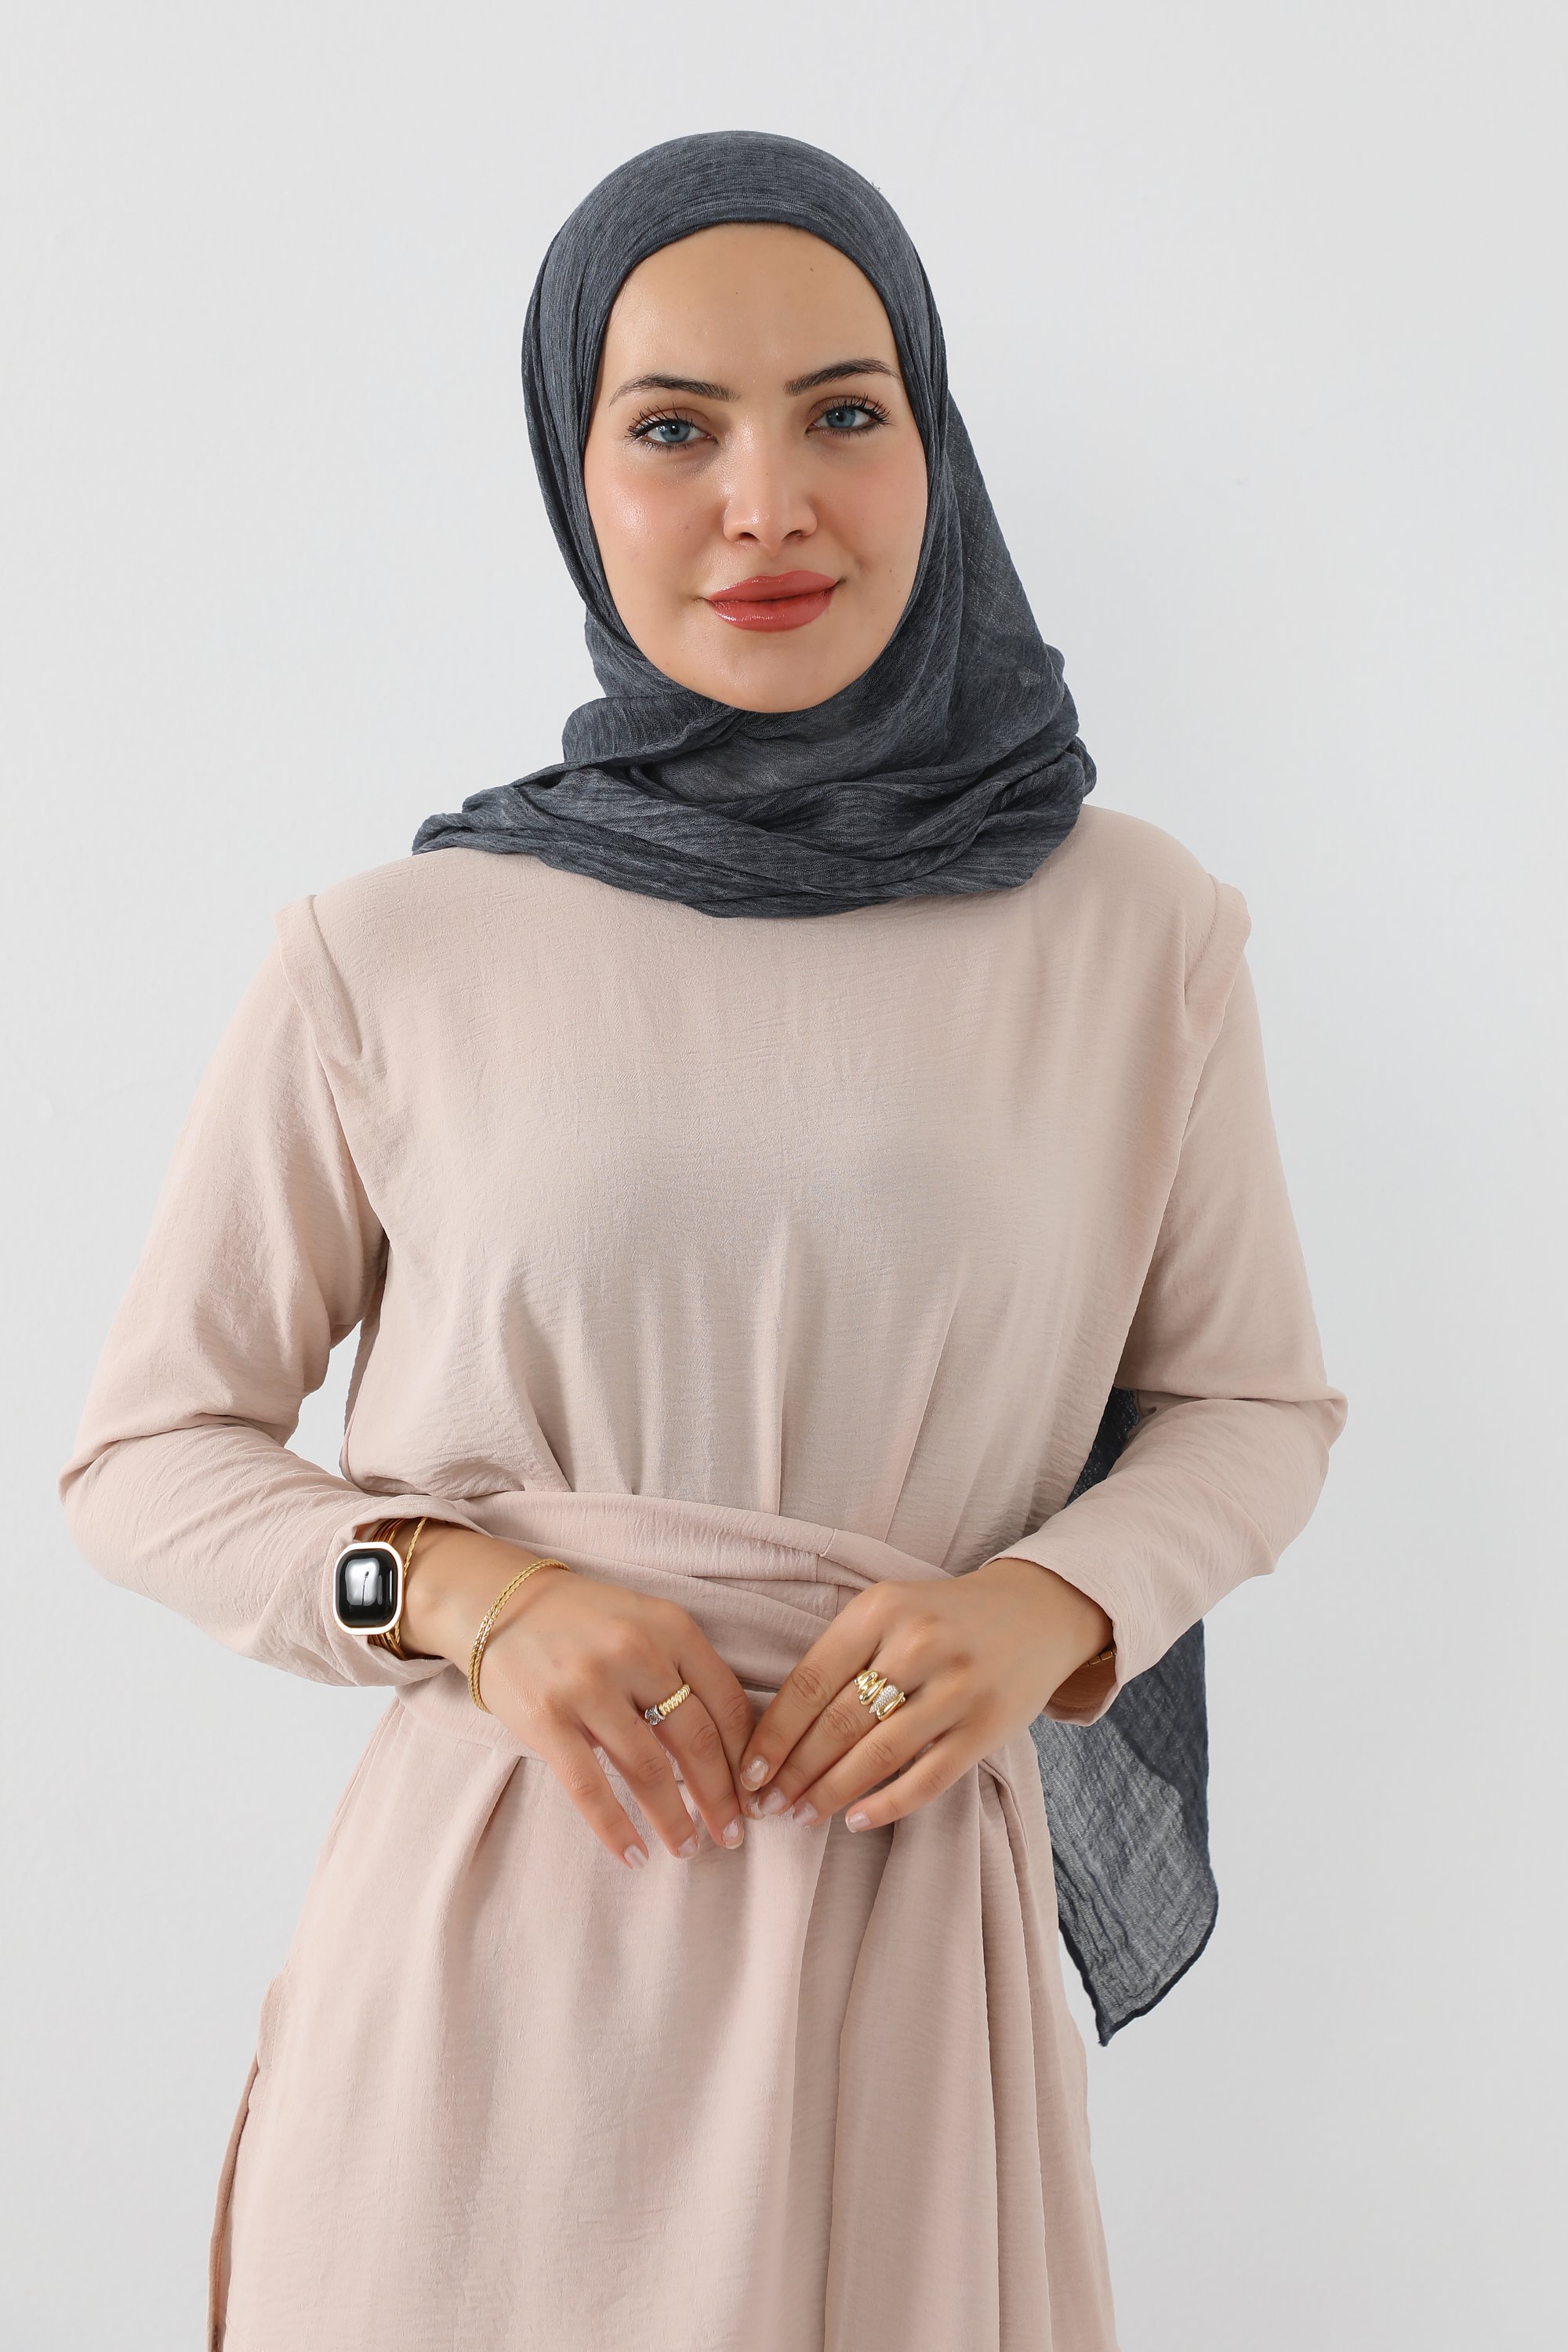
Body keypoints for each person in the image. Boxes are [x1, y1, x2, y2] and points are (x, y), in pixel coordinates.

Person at [58, 130, 1348, 2352]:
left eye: (846, 412)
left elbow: (1250, 1405)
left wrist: (1052, 1608)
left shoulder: (1133, 931)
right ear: (578, 480)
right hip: (493, 1979)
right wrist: (452, 1597)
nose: (769, 504)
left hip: (900, 1947)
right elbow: (145, 1457)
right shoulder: (394, 952)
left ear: (933, 446)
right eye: (674, 430)